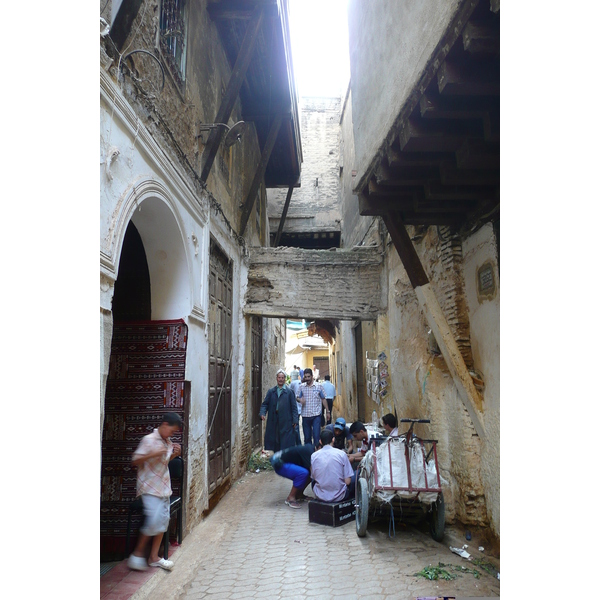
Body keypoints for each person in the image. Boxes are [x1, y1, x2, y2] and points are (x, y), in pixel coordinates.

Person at [127, 412, 183, 571]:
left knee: (163, 522)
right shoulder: (149, 440)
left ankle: (153, 557)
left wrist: (174, 455)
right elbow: (135, 460)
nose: (172, 434)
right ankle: (137, 554)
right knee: (153, 521)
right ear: (164, 425)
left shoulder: (167, 442)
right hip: (150, 487)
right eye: (172, 431)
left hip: (164, 487)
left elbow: (163, 462)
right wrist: (154, 453)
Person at [310, 429, 355, 502]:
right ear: (333, 440)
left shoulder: (314, 456)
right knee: (355, 475)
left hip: (320, 495)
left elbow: (314, 477)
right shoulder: (341, 454)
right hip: (339, 496)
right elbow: (348, 482)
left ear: (320, 441)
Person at [260, 369, 299, 451]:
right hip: (273, 419)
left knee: (285, 441)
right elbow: (265, 404)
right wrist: (262, 413)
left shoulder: (289, 392)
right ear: (276, 378)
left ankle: (284, 458)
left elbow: (294, 407)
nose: (281, 379)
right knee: (274, 439)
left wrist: (295, 420)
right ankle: (275, 458)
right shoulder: (271, 391)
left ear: (285, 379)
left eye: (282, 377)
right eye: (279, 377)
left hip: (286, 421)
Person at [270, 442, 316, 509]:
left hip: (282, 461)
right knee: (303, 473)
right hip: (279, 463)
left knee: (308, 473)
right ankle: (290, 498)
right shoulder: (309, 451)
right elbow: (313, 471)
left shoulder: (312, 449)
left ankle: (299, 495)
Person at [297, 367, 328, 446]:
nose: (307, 378)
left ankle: (316, 454)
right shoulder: (302, 387)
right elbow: (297, 397)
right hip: (305, 415)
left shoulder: (318, 386)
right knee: (307, 437)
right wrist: (300, 400)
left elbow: (323, 399)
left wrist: (328, 411)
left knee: (316, 436)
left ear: (312, 376)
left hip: (316, 415)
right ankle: (308, 455)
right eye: (305, 377)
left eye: (308, 376)